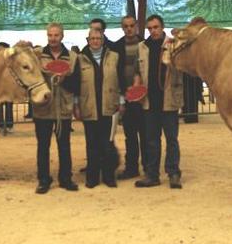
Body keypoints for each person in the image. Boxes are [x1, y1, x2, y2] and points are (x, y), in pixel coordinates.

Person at [134, 14, 184, 189]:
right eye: (150, 28)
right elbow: (137, 71)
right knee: (151, 140)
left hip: (169, 99)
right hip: (149, 101)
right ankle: (152, 174)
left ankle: (173, 173)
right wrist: (137, 91)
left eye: (156, 27)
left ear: (162, 27)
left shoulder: (173, 44)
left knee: (172, 139)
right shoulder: (142, 47)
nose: (153, 31)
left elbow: (184, 67)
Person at [73, 28, 123, 188]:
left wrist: (121, 101)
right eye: (92, 38)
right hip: (89, 107)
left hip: (109, 107)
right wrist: (76, 104)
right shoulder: (80, 59)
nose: (95, 41)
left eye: (98, 38)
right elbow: (76, 84)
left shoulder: (114, 57)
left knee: (107, 144)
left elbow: (121, 81)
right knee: (92, 144)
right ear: (88, 40)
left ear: (103, 40)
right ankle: (92, 178)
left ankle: (109, 176)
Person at [33, 23, 79, 194]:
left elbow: (77, 83)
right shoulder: (37, 55)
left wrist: (65, 80)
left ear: (62, 36)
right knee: (43, 146)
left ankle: (66, 178)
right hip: (42, 109)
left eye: (56, 35)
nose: (53, 38)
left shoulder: (73, 57)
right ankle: (43, 180)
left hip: (63, 109)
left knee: (64, 145)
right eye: (50, 35)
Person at [112, 15, 146, 180]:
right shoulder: (116, 47)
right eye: (126, 26)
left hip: (144, 99)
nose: (129, 28)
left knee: (146, 135)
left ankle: (148, 167)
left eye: (132, 25)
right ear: (122, 28)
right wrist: (120, 98)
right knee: (130, 136)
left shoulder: (146, 45)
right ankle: (131, 168)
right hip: (126, 98)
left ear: (137, 26)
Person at [182, 17, 206, 124]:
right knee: (188, 94)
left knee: (191, 94)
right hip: (188, 71)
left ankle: (191, 116)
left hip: (194, 72)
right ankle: (188, 115)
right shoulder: (187, 37)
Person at [0, 42, 14, 133]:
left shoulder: (12, 62)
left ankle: (9, 125)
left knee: (9, 107)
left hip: (8, 87)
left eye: (1, 49)